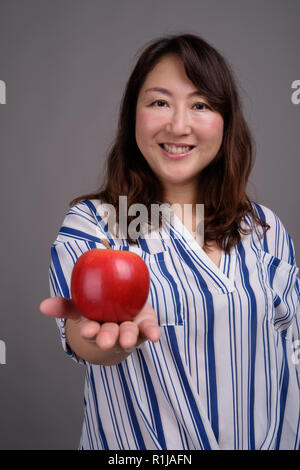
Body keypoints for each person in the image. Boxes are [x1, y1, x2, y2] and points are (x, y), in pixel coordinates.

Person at [39, 33, 300, 450]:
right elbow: (82, 335)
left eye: (200, 105)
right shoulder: (95, 224)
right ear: (133, 116)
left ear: (226, 121)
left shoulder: (264, 228)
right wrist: (97, 334)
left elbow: (290, 359)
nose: (178, 125)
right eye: (160, 102)